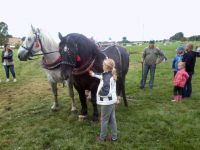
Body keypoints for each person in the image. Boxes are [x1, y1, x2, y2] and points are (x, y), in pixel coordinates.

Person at [89, 58, 118, 142]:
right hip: (112, 101)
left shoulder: (107, 77)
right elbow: (101, 76)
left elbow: (106, 91)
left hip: (107, 102)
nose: (102, 66)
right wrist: (94, 74)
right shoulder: (109, 74)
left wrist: (98, 94)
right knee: (112, 119)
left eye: (103, 65)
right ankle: (114, 137)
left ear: (106, 67)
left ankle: (102, 138)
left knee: (104, 120)